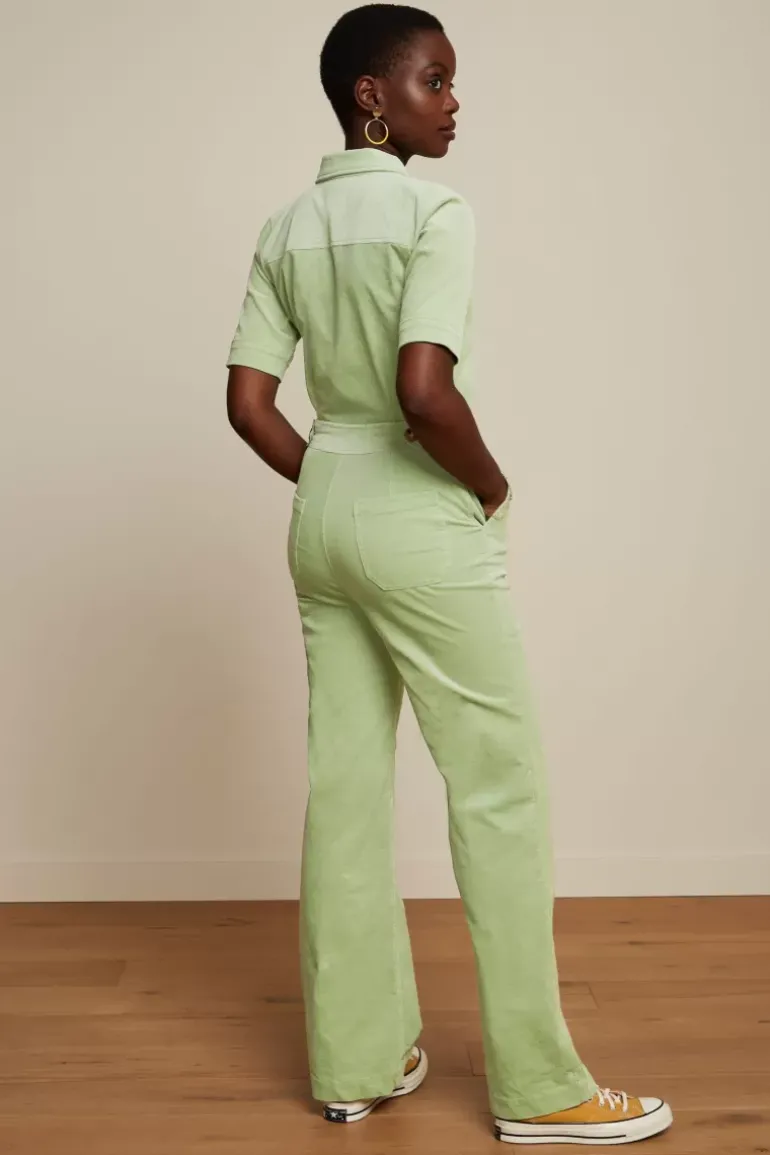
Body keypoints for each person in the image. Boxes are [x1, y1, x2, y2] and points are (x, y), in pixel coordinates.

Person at [225, 3, 674, 1145]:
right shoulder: (434, 211)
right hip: (418, 515)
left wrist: (333, 483)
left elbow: (248, 404)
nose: (454, 101)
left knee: (344, 789)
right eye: (434, 80)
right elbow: (424, 392)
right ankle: (538, 1086)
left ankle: (355, 1062)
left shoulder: (285, 225)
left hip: (323, 512)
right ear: (370, 96)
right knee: (498, 788)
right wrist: (489, 485)